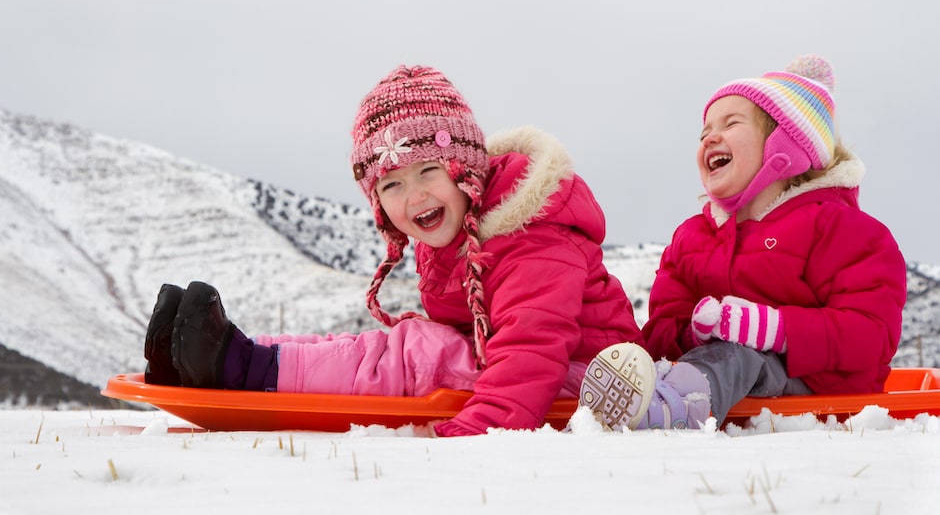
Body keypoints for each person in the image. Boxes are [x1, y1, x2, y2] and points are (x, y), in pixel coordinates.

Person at [143, 65, 643, 436]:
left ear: (465, 170)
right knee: (395, 343)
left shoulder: (533, 237)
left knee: (421, 353)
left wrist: (476, 434)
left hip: (586, 380)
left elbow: (531, 351)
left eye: (429, 172)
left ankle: (245, 368)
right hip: (524, 371)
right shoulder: (454, 234)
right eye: (393, 185)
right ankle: (231, 350)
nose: (415, 196)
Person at [579, 55, 907, 430]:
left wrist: (773, 329)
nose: (709, 137)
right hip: (717, 372)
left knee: (737, 356)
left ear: (785, 145)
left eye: (730, 124)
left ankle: (667, 414)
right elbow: (660, 330)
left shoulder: (840, 228)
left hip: (816, 386)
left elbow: (872, 332)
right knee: (696, 358)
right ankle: (616, 406)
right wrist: (693, 332)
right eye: (703, 132)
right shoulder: (693, 238)